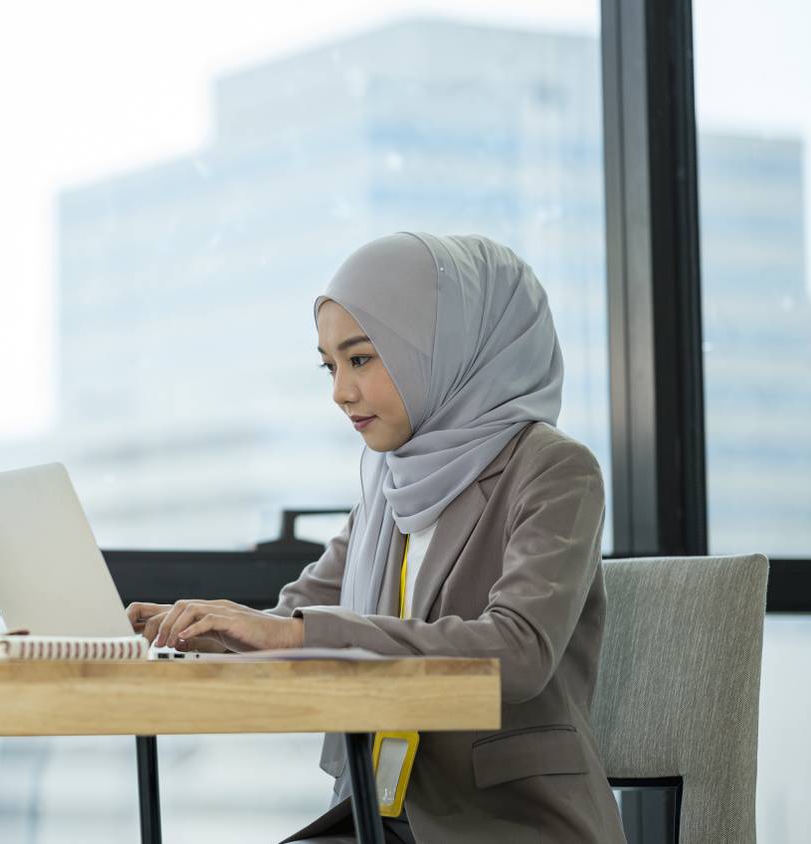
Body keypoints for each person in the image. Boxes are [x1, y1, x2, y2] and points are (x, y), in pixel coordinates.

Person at [127, 233, 627, 843]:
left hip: (506, 824)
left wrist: (294, 631)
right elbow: (291, 616)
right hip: (379, 815)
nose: (340, 391)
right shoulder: (394, 482)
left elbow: (519, 653)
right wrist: (200, 633)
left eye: (360, 359)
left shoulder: (553, 468)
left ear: (445, 350)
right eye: (330, 366)